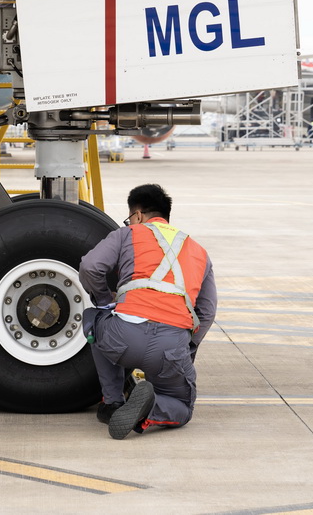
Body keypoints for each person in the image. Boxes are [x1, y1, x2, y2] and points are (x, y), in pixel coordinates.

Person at [79, 183, 217, 439]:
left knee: (94, 319)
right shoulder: (199, 251)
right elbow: (207, 311)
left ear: (138, 215)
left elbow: (90, 266)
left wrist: (104, 301)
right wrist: (188, 347)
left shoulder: (127, 234)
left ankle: (112, 402)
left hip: (123, 337)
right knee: (183, 407)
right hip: (170, 346)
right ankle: (150, 408)